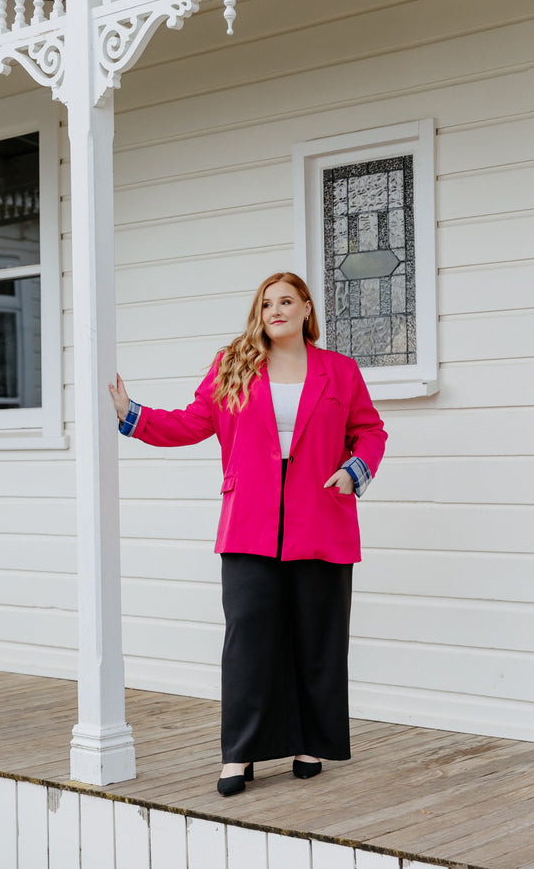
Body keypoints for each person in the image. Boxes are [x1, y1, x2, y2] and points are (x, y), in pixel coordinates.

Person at [109, 272, 387, 796]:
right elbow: (192, 423)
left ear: (306, 308)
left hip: (323, 517)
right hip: (249, 524)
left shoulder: (340, 371)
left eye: (285, 301)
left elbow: (370, 431)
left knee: (318, 639)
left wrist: (355, 471)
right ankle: (239, 754)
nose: (274, 311)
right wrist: (132, 415)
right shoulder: (233, 363)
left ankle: (311, 744)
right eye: (266, 304)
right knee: (248, 642)